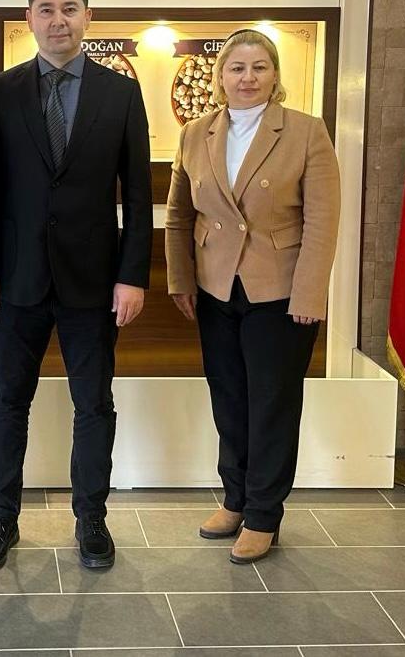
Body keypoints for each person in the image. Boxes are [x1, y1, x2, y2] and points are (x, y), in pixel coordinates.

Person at [0, 0, 152, 572]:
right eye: (46, 9)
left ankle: (91, 519)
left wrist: (133, 275)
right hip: (16, 278)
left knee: (93, 406)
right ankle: (0, 519)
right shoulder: (2, 90)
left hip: (94, 282)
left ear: (88, 17)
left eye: (69, 8)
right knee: (6, 404)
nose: (58, 20)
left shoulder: (120, 93)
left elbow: (138, 192)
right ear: (29, 19)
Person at [164, 28, 340, 564]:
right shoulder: (196, 132)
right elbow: (178, 215)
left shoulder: (306, 131)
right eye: (237, 68)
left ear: (275, 75)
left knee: (272, 405)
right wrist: (180, 280)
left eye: (259, 67)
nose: (247, 78)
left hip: (280, 292)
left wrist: (310, 294)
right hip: (216, 289)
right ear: (220, 75)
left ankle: (264, 514)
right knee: (230, 399)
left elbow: (323, 220)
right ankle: (235, 499)